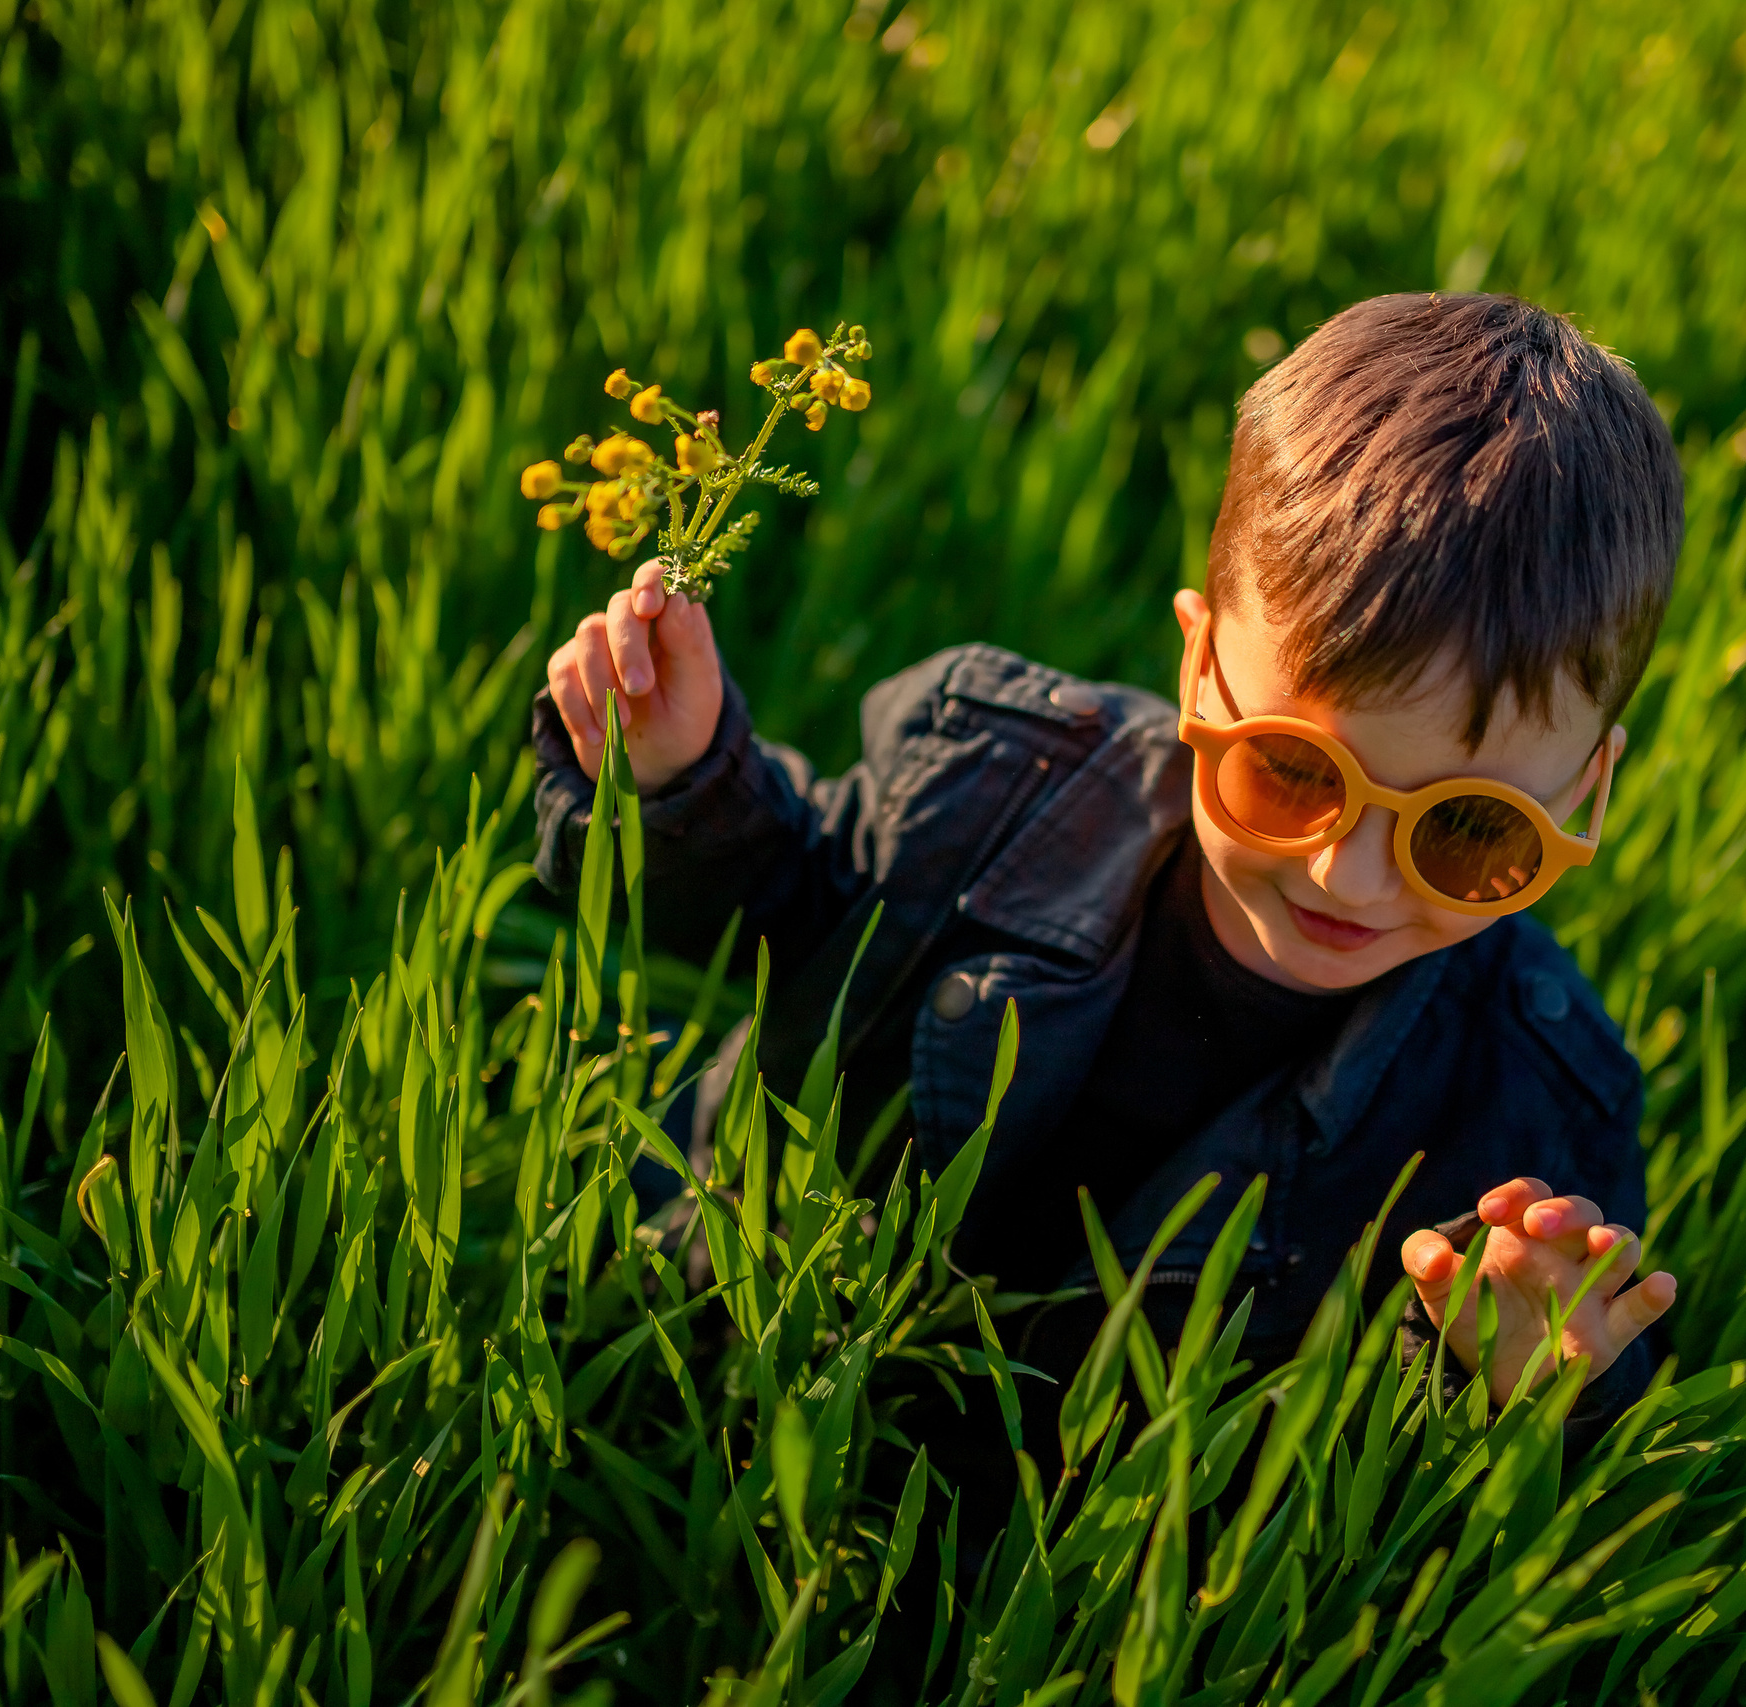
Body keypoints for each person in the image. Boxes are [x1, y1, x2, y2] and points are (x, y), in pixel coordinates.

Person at [533, 291, 1683, 1433]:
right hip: (702, 1377)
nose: (1352, 877)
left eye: (1471, 833)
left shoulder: (1533, 1105)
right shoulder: (987, 787)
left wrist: (1531, 1385)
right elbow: (772, 911)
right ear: (1196, 670)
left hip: (1083, 1564)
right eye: (1291, 770)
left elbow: (1405, 1463)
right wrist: (685, 786)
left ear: (1586, 791)